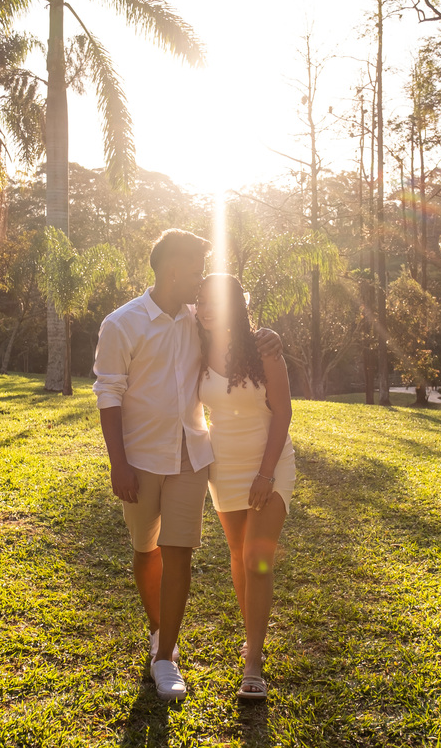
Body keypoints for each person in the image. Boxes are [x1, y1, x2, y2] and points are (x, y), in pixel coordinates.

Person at [93, 231, 280, 703]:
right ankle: (158, 630)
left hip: (191, 455)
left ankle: (165, 658)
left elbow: (233, 315)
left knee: (179, 552)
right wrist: (119, 464)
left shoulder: (198, 318)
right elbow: (108, 394)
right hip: (139, 457)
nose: (200, 283)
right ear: (173, 270)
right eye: (196, 271)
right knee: (145, 551)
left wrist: (269, 335)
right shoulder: (121, 324)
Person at [195, 273, 295, 702]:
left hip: (269, 463)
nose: (205, 308)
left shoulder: (262, 348)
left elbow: (285, 412)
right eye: (201, 301)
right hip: (224, 466)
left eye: (215, 301)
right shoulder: (194, 346)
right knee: (237, 555)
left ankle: (253, 662)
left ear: (235, 304)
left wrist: (265, 473)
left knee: (258, 557)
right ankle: (253, 636)